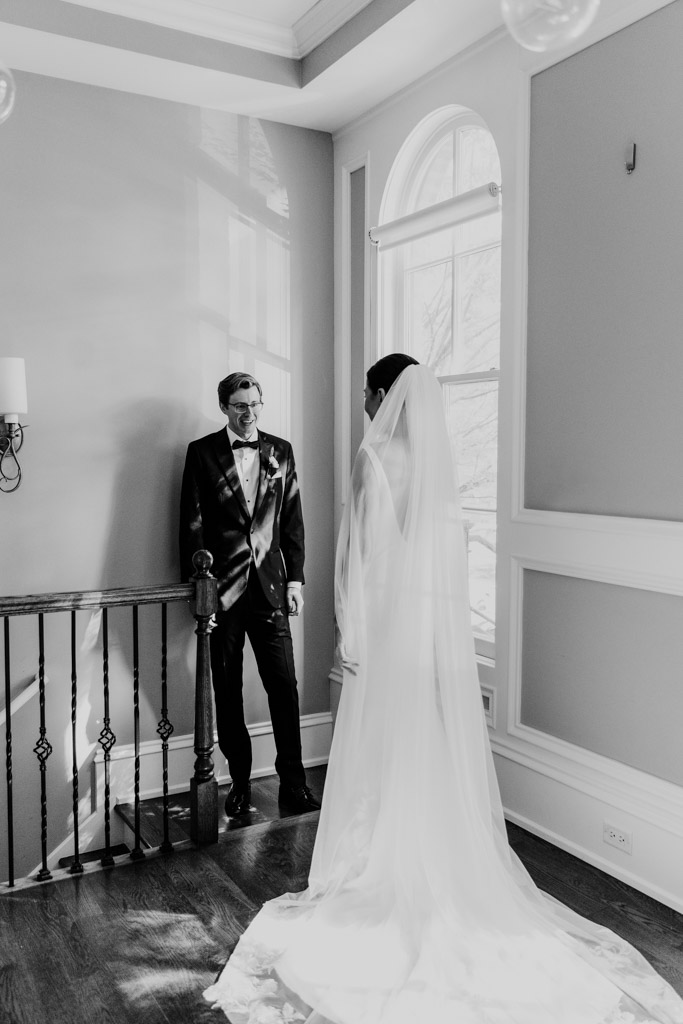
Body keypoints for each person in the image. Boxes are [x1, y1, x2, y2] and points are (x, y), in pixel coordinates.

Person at [203, 358, 683, 1023]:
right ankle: (424, 854)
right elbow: (440, 554)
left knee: (379, 741)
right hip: (421, 627)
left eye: (367, 393)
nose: (364, 402)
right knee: (419, 738)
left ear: (380, 396)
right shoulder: (435, 463)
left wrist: (350, 627)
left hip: (383, 622)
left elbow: (357, 556)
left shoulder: (372, 457)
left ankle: (384, 863)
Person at [179, 371, 320, 817]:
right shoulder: (201, 453)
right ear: (224, 407)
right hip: (221, 594)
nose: (249, 413)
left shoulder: (281, 450)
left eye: (255, 404)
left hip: (271, 589)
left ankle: (293, 784)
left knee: (285, 686)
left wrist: (295, 581)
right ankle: (239, 782)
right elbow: (191, 526)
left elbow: (292, 518)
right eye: (240, 406)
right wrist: (201, 593)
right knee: (227, 690)